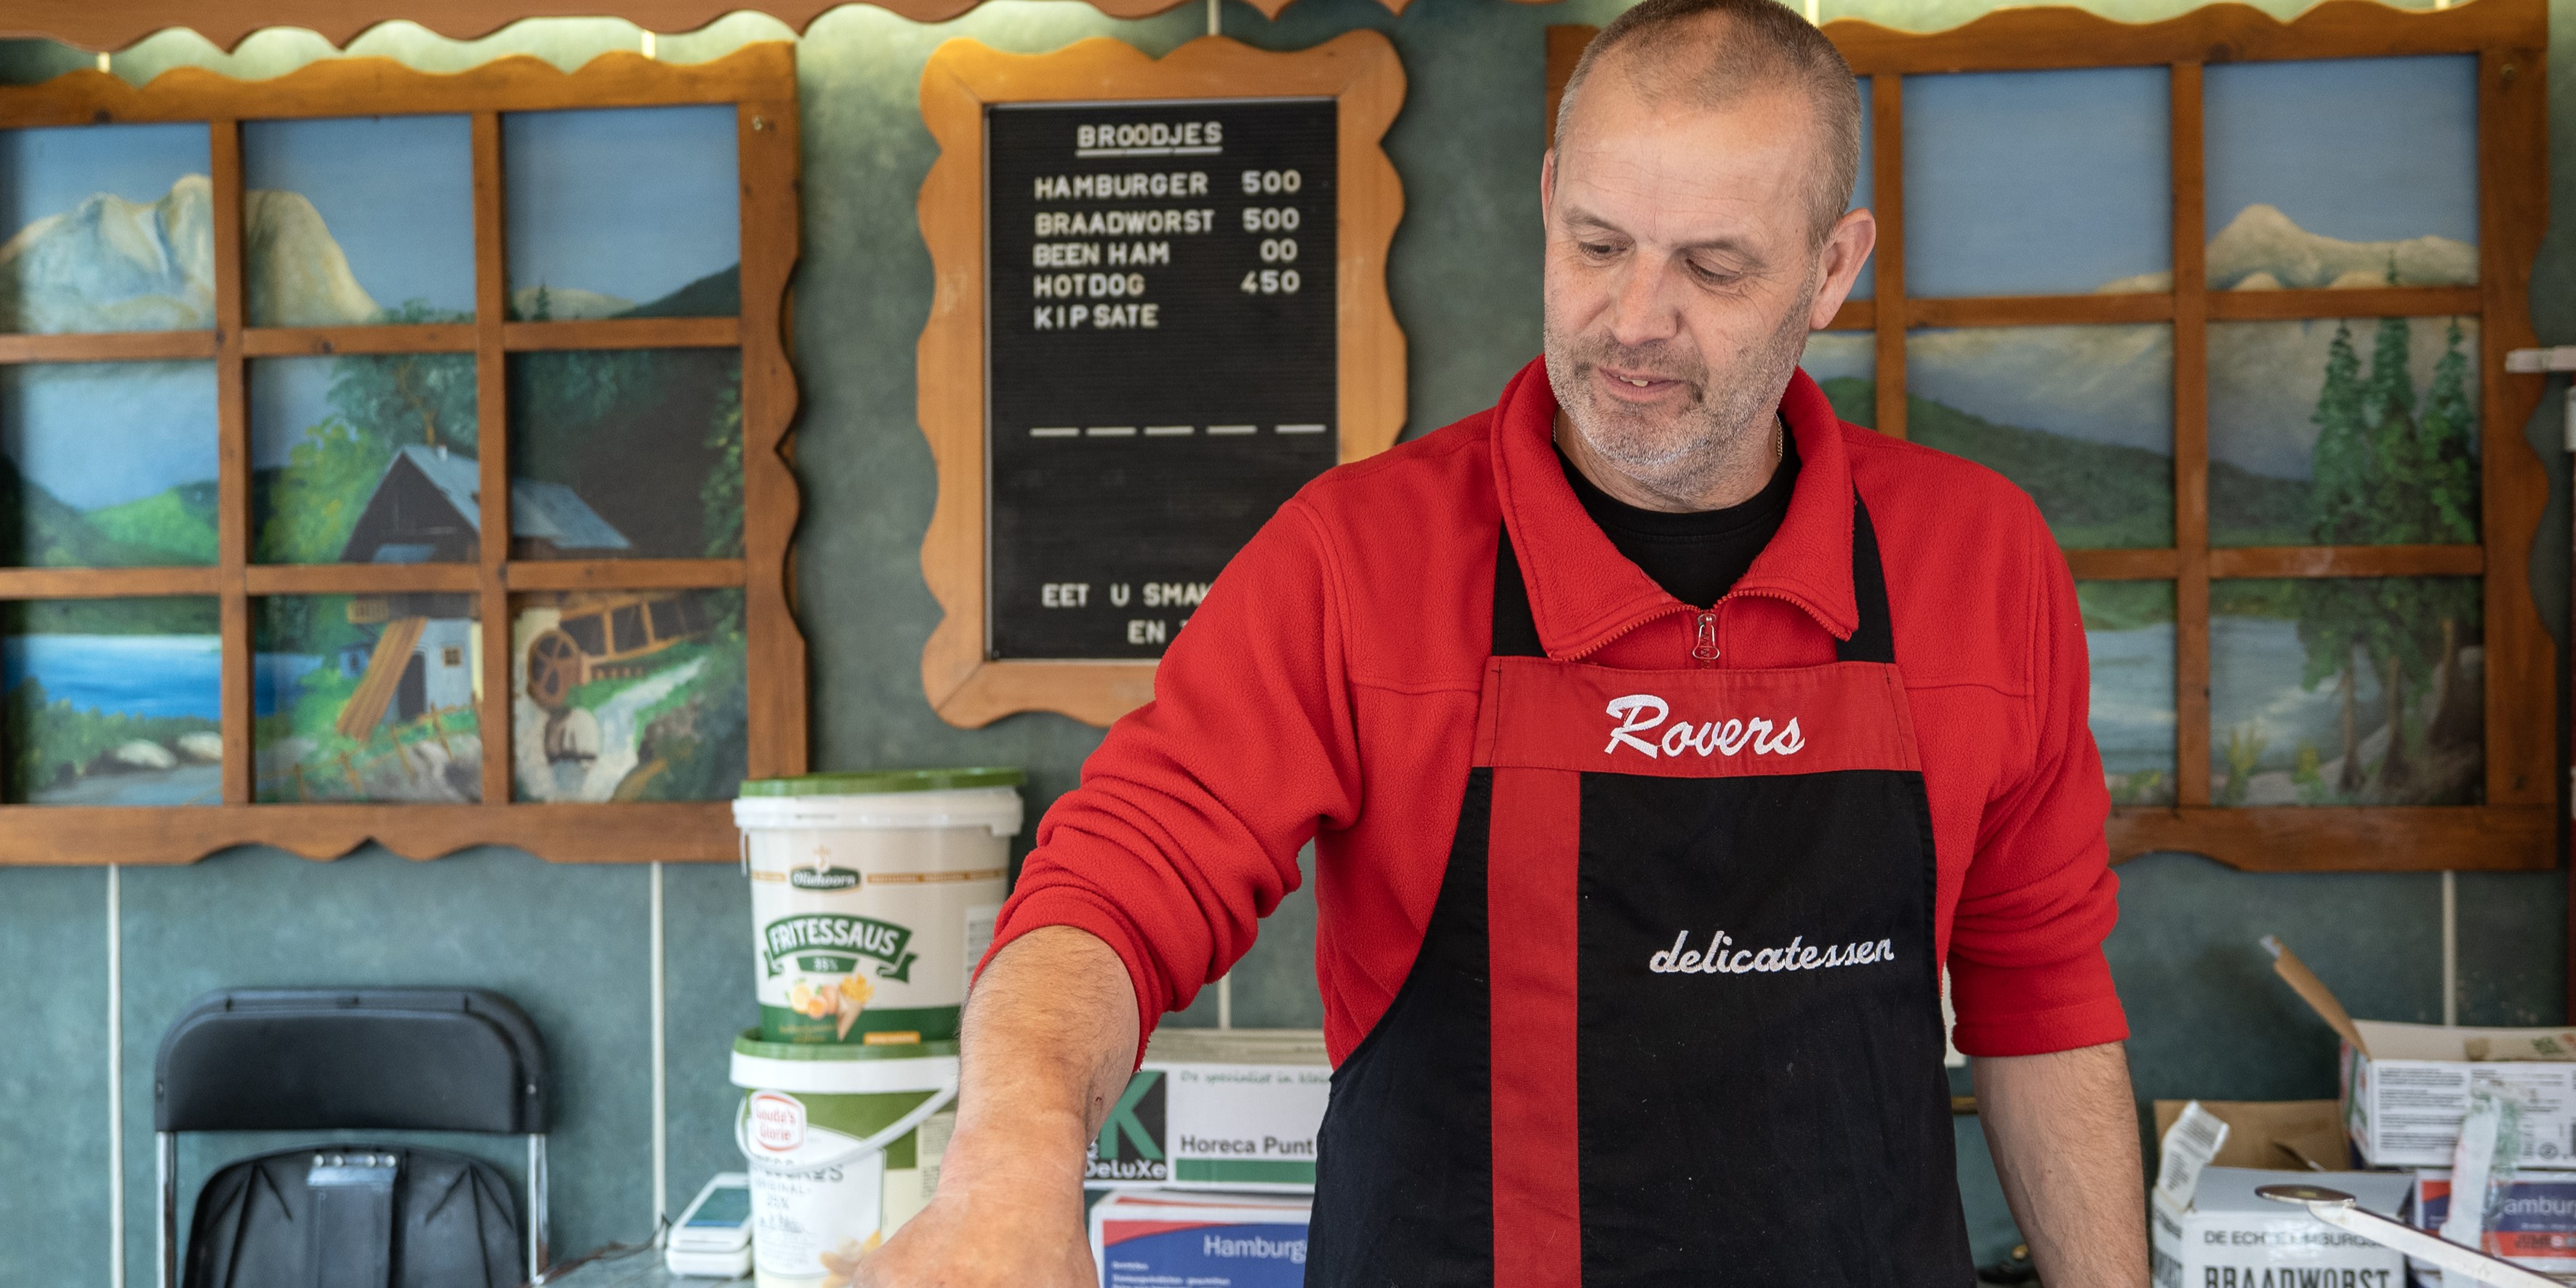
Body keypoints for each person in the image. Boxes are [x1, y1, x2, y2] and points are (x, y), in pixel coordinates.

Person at [866, 0, 2143, 1281]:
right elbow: (1118, 885)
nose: (1635, 319)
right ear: (1546, 203)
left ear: (1830, 266)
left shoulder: (1980, 559)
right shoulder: (1356, 561)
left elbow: (2042, 996)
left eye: (1712, 266)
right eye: (1598, 244)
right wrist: (1010, 1176)